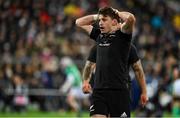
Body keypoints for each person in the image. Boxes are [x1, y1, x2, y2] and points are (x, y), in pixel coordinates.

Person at [76, 6, 148, 117]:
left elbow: (131, 19)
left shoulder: (124, 37)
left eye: (104, 20)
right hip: (99, 91)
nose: (100, 23)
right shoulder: (99, 36)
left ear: (114, 22)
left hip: (119, 91)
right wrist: (85, 81)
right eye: (100, 20)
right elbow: (79, 22)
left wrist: (144, 91)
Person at [83, 44, 147, 108]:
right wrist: (86, 82)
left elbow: (138, 69)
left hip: (121, 92)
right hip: (100, 91)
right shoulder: (99, 45)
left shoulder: (128, 46)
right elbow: (90, 65)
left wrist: (144, 92)